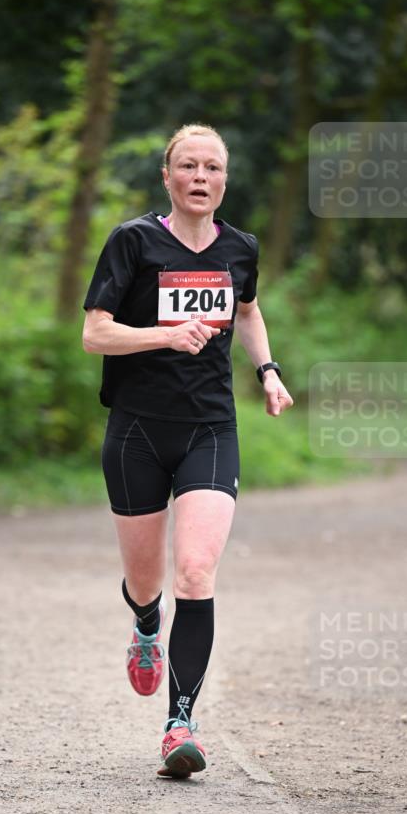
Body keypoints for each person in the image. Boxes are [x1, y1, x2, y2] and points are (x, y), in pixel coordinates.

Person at [82, 123, 293, 779]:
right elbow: (95, 334)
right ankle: (146, 624)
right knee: (147, 583)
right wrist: (165, 335)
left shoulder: (240, 248)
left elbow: (247, 311)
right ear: (167, 176)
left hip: (209, 429)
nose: (201, 177)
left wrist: (267, 370)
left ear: (224, 179)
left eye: (213, 167)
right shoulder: (133, 241)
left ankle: (179, 724)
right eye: (188, 166)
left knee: (196, 573)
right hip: (137, 432)